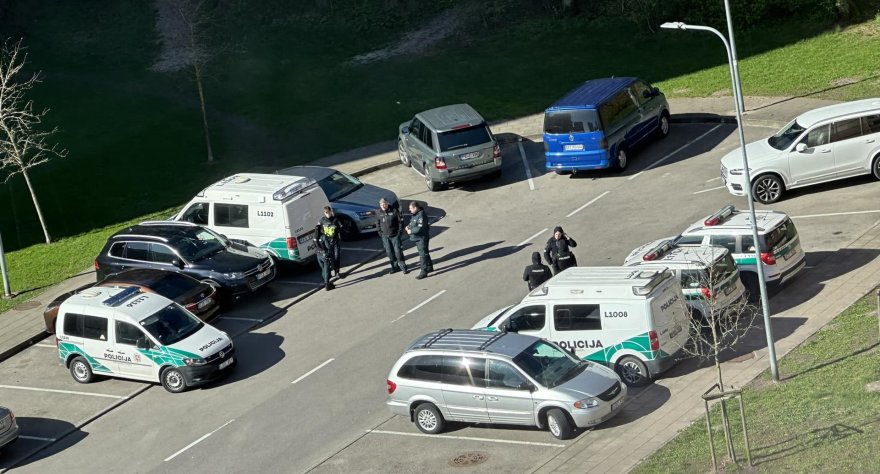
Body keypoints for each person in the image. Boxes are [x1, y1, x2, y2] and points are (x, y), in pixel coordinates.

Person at [377, 198, 407, 274]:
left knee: (398, 252)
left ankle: (403, 267)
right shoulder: (378, 212)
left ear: (387, 204)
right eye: (381, 204)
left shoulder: (394, 211)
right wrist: (380, 232)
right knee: (390, 253)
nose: (383, 206)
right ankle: (395, 268)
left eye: (384, 204)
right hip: (385, 237)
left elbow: (400, 222)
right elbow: (377, 223)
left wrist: (399, 232)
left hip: (395, 236)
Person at [405, 201, 433, 280]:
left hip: (422, 238)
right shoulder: (415, 214)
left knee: (422, 254)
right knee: (425, 252)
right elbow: (413, 223)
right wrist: (408, 226)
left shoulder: (421, 215)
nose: (409, 210)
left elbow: (420, 227)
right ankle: (429, 266)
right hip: (417, 238)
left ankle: (423, 271)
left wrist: (411, 231)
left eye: (410, 208)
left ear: (415, 208)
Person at [318, 206, 342, 279]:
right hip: (327, 242)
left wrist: (338, 235)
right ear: (324, 213)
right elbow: (318, 229)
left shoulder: (335, 219)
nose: (327, 214)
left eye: (328, 212)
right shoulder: (322, 220)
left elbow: (341, 228)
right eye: (326, 212)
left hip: (335, 241)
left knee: (336, 256)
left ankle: (337, 272)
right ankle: (329, 273)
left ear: (331, 211)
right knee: (329, 257)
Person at [314, 223, 335, 291]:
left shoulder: (314, 237)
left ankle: (326, 282)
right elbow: (328, 246)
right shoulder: (323, 237)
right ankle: (327, 284)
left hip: (318, 255)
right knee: (326, 270)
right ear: (321, 230)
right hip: (324, 255)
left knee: (323, 269)